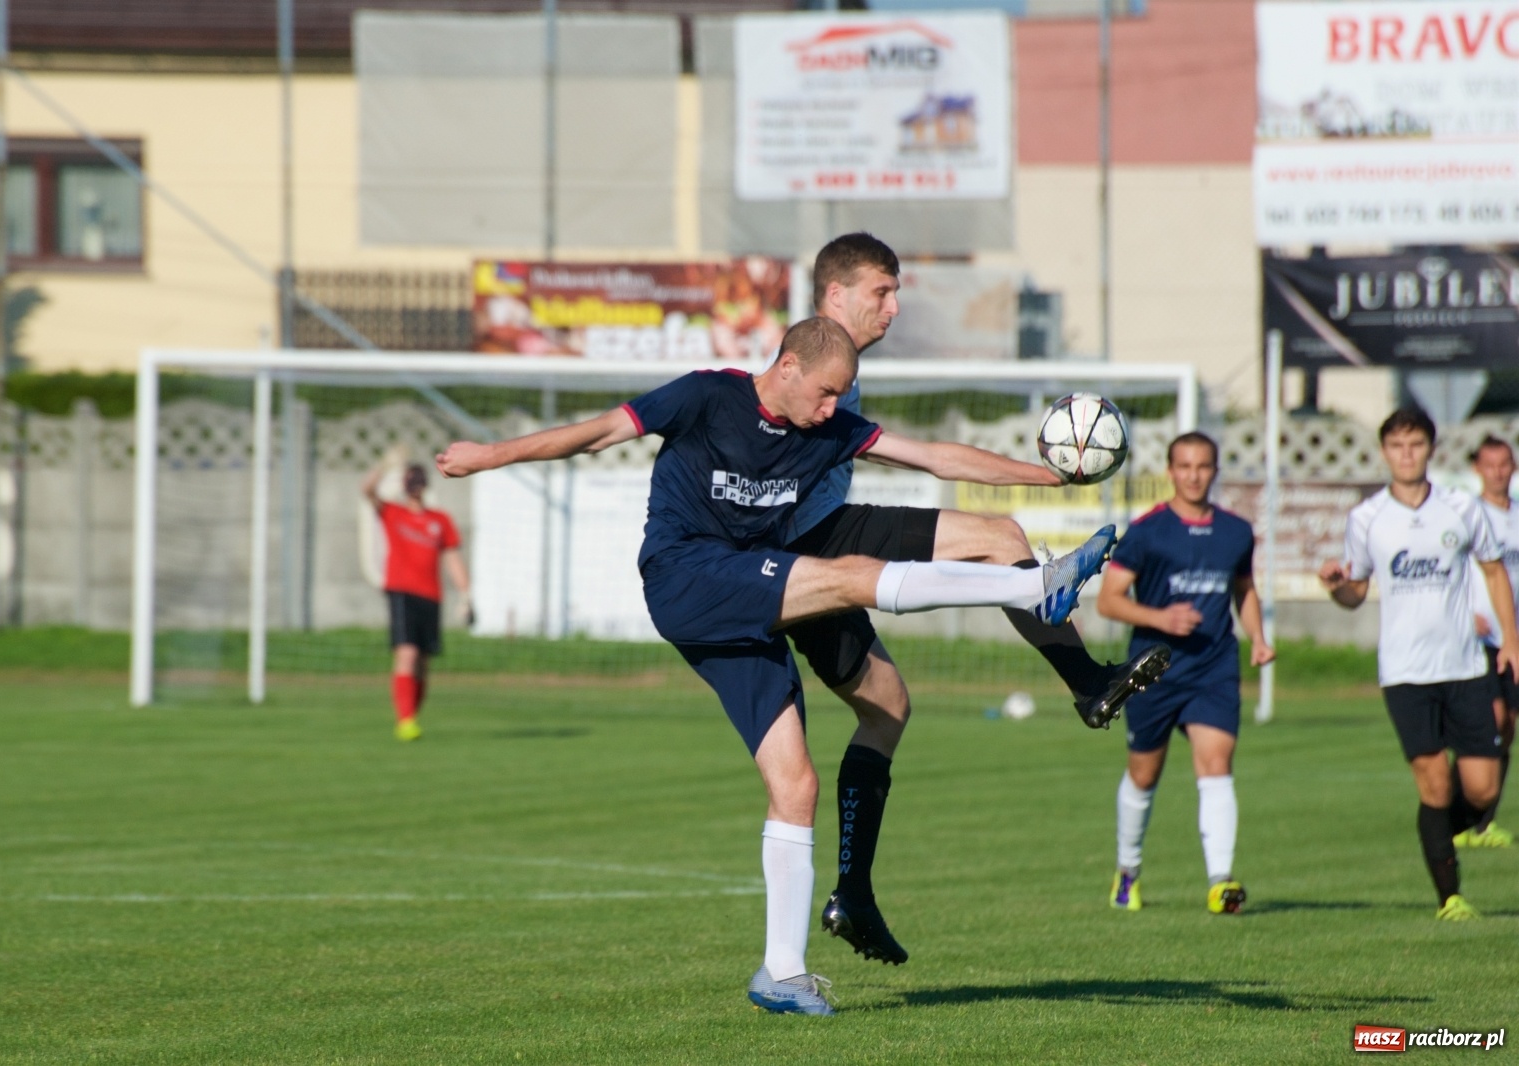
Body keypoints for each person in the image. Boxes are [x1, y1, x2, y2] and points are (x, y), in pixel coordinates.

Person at [435, 316, 1117, 1015]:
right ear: (787, 365)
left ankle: (780, 974)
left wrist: (1045, 476)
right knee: (848, 577)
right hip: (687, 576)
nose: (833, 410)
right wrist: (490, 455)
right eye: (826, 393)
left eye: (841, 398)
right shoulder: (704, 397)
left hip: (739, 609)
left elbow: (937, 458)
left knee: (796, 783)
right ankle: (1036, 584)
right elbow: (596, 432)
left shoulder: (824, 429)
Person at [784, 233, 1171, 966]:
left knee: (888, 706)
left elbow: (923, 454)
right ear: (834, 296)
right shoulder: (808, 369)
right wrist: (1041, 475)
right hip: (810, 546)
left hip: (812, 557)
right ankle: (1087, 683)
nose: (894, 308)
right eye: (881, 292)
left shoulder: (834, 370)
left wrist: (1042, 475)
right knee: (998, 538)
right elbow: (928, 456)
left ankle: (853, 895)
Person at [1319, 409, 1519, 921]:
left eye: (1415, 444)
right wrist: (1339, 585)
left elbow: (1495, 573)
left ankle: (1436, 834)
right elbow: (1356, 592)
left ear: (1432, 449)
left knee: (1483, 788)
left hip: (1465, 666)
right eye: (1397, 445)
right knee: (1432, 783)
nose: (1406, 454)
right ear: (1385, 451)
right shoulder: (1367, 518)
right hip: (1405, 673)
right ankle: (1449, 897)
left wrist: (1511, 640)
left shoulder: (1461, 508)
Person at [1094, 431, 1273, 915]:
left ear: (1215, 471)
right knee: (1143, 774)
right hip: (1152, 671)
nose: (1194, 475)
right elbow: (1108, 601)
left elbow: (1245, 590)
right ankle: (1128, 871)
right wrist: (1161, 619)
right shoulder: (1148, 531)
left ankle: (1221, 881)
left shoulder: (1236, 531)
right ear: (1171, 471)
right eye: (1185, 466)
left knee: (1216, 765)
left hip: (1213, 667)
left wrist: (1257, 636)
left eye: (1204, 466)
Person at [363, 460, 471, 742]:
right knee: (406, 653)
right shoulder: (393, 513)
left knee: (423, 662)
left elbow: (453, 558)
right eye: (410, 480)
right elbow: (367, 491)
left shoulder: (440, 520)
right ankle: (405, 721)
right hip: (401, 592)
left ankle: (412, 716)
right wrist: (385, 465)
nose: (415, 485)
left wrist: (465, 595)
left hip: (431, 596)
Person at [1457, 436, 1519, 847]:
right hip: (1480, 636)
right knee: (1490, 721)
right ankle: (1462, 817)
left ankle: (1484, 822)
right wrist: (1465, 613)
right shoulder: (1468, 515)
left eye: (1504, 464)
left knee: (1508, 727)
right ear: (1477, 468)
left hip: (1512, 638)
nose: (1498, 472)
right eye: (1490, 464)